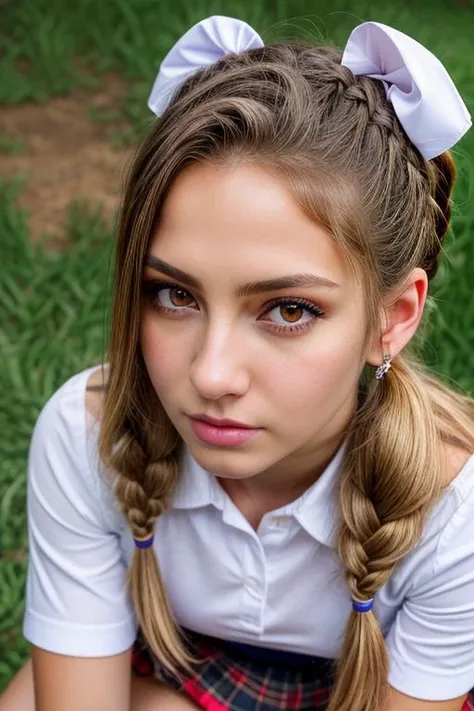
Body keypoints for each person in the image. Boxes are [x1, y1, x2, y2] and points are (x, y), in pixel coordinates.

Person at [1, 14, 473, 711]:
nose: (211, 375)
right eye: (174, 294)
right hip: (180, 662)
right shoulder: (88, 436)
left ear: (392, 317)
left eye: (287, 309)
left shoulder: (455, 510)